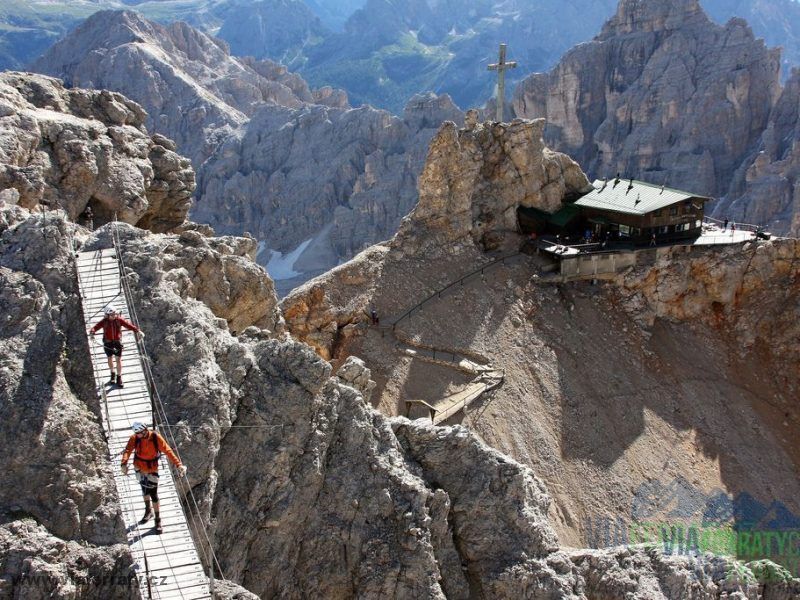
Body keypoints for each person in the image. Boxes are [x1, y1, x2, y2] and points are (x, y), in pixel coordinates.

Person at [121, 422, 187, 534]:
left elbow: (167, 450)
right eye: (136, 433)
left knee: (153, 494)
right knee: (144, 490)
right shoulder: (135, 438)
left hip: (152, 469)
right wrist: (124, 463)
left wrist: (178, 464)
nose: (137, 435)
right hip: (139, 467)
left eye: (139, 433)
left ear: (144, 431)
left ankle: (157, 520)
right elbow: (128, 450)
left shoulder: (155, 437)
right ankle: (148, 510)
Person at [90, 305, 144, 387]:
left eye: (114, 314)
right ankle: (112, 373)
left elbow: (128, 325)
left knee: (118, 359)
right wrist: (92, 332)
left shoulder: (119, 320)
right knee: (110, 358)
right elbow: (95, 327)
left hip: (117, 342)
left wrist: (138, 331)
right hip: (108, 342)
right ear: (107, 315)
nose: (114, 316)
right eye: (112, 315)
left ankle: (119, 377)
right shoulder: (104, 321)